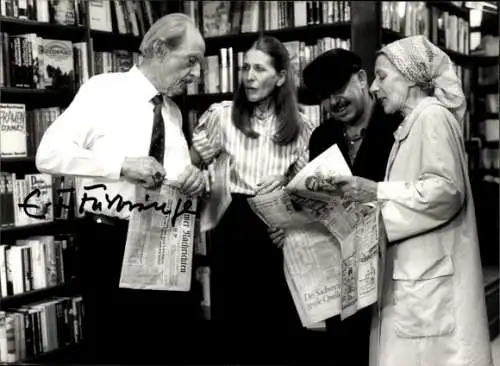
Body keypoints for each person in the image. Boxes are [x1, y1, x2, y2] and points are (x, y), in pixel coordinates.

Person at [36, 13, 207, 364]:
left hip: (167, 246)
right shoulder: (103, 90)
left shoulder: (172, 112)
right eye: (190, 61)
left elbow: (172, 177)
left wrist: (194, 179)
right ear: (159, 49)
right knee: (119, 350)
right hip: (111, 244)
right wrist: (121, 165)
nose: (197, 74)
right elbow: (48, 155)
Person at [323, 35, 493, 366]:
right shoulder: (413, 123)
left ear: (411, 76)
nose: (374, 87)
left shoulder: (431, 117)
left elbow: (445, 191)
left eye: (382, 76)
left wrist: (376, 191)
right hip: (417, 279)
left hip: (427, 284)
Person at [270, 48, 402, 366]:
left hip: (393, 266)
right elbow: (320, 204)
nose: (333, 102)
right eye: (325, 96)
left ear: (361, 78)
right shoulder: (323, 135)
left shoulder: (397, 125)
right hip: (341, 271)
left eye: (338, 90)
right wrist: (291, 226)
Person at [190, 35, 318, 364]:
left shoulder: (303, 126)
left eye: (259, 69)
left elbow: (313, 188)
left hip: (277, 228)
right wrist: (196, 155)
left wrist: (288, 184)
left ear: (280, 77)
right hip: (233, 224)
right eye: (246, 67)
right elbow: (190, 165)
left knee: (279, 325)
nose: (248, 76)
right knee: (232, 325)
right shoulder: (220, 115)